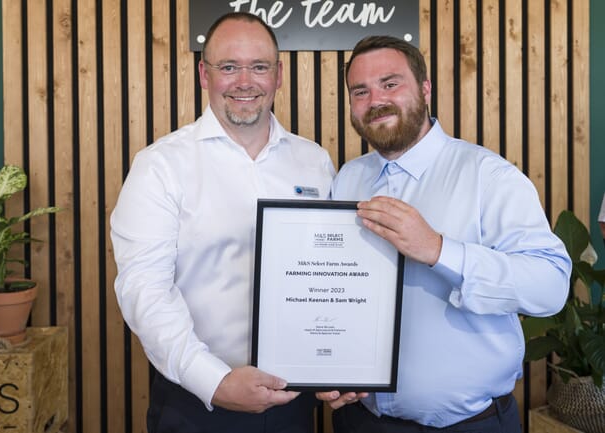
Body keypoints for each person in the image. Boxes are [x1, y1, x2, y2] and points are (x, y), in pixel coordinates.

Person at [316, 35, 572, 433]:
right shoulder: (348, 179)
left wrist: (438, 249)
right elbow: (335, 289)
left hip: (470, 426)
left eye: (390, 83)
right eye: (360, 91)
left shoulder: (488, 176)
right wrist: (332, 364)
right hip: (360, 421)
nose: (375, 100)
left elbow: (550, 286)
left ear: (424, 88)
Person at [110, 12, 335, 433]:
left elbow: (332, 274)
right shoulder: (160, 166)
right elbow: (144, 289)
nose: (244, 82)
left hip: (295, 401)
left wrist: (340, 360)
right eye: (229, 67)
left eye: (259, 67)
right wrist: (214, 381)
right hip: (197, 404)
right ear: (204, 74)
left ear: (279, 75)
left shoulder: (315, 162)